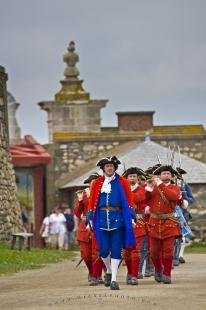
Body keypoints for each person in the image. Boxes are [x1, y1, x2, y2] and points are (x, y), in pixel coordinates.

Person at [87, 156, 136, 290]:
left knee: (115, 250)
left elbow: (129, 200)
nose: (110, 168)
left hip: (118, 218)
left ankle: (114, 279)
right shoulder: (96, 183)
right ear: (103, 168)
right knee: (103, 250)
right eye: (107, 166)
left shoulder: (123, 182)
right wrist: (89, 217)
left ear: (115, 168)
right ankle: (108, 270)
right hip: (100, 219)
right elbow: (92, 201)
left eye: (112, 166)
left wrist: (131, 217)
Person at [145, 165, 181, 284]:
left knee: (168, 250)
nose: (166, 175)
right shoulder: (154, 187)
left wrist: (159, 184)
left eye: (168, 173)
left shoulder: (175, 187)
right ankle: (159, 269)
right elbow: (143, 200)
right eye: (163, 173)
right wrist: (148, 187)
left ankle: (167, 274)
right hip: (154, 222)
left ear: (171, 176)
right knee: (153, 251)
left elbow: (173, 196)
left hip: (169, 222)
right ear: (159, 176)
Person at [73, 172, 101, 284]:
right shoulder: (84, 193)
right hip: (85, 226)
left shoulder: (104, 192)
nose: (93, 183)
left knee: (98, 253)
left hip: (99, 224)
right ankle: (92, 272)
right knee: (86, 255)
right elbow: (77, 212)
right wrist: (80, 201)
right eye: (91, 182)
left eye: (95, 181)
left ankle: (97, 275)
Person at [122, 167, 146, 285]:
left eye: (134, 176)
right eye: (130, 176)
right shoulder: (122, 189)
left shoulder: (141, 189)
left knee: (136, 250)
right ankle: (130, 272)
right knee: (126, 251)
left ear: (137, 178)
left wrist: (124, 196)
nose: (132, 178)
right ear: (126, 178)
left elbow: (138, 198)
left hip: (138, 223)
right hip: (124, 223)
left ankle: (134, 276)